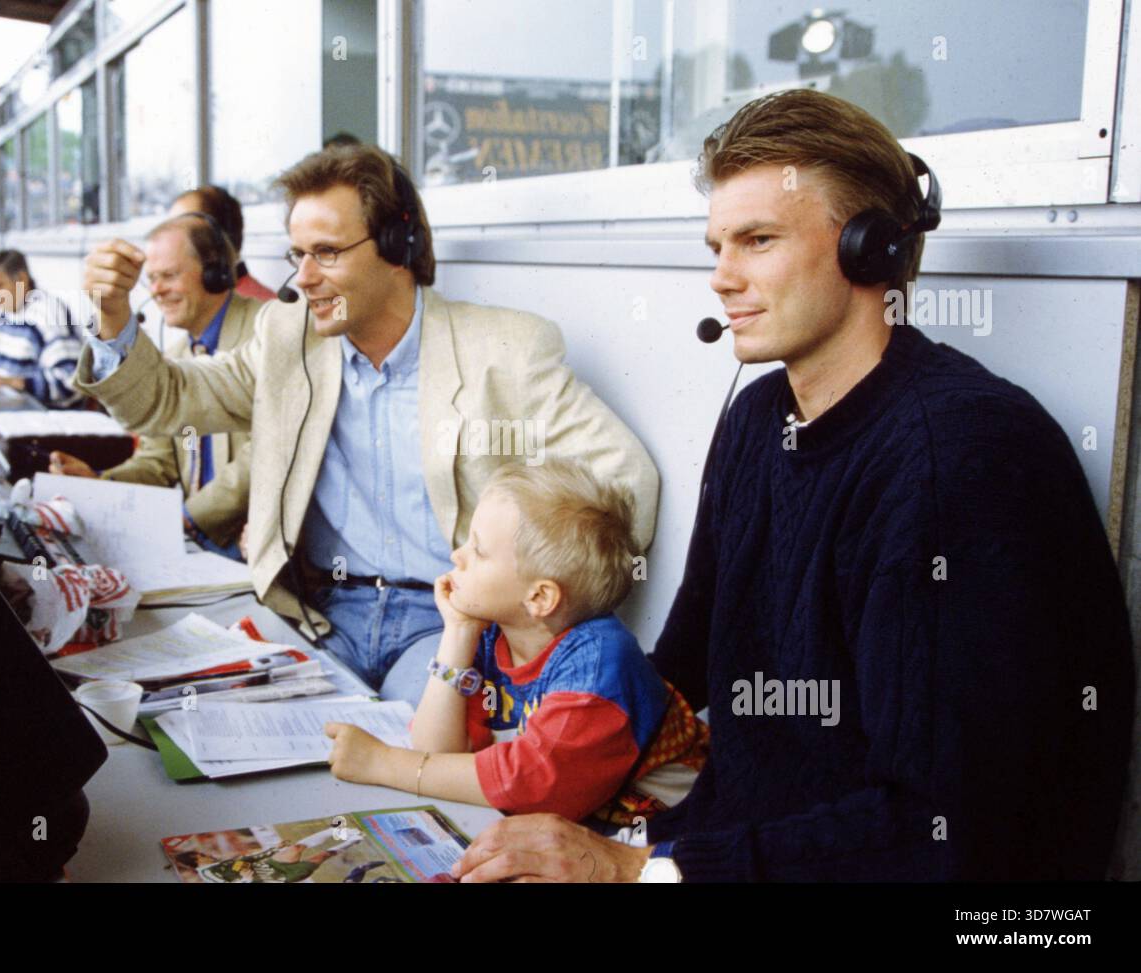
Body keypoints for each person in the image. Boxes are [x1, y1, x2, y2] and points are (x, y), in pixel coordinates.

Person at [451, 89, 1135, 883]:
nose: (720, 276)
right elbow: (684, 663)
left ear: (868, 250)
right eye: (717, 245)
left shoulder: (962, 460)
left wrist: (631, 872)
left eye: (758, 240)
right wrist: (540, 722)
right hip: (735, 843)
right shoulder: (757, 419)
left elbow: (942, 830)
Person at [73, 142, 659, 707]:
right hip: (323, 615)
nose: (302, 277)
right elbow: (169, 398)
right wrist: (113, 319)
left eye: (325, 252)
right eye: (296, 255)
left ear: (397, 244)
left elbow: (626, 478)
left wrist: (528, 611)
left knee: (407, 753)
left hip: (448, 623)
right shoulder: (289, 337)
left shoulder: (503, 349)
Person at [324, 460, 708, 824]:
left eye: (478, 550)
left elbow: (532, 783)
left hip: (663, 825)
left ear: (539, 598)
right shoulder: (492, 632)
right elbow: (438, 751)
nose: (457, 556)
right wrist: (458, 632)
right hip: (584, 817)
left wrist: (383, 764)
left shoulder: (599, 661)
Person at [49, 213, 260, 560]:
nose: (157, 290)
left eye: (169, 276)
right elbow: (158, 460)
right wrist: (100, 483)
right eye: (152, 279)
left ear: (216, 272)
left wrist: (190, 518)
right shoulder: (176, 355)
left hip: (242, 546)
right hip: (194, 538)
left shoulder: (262, 330)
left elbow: (266, 450)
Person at [0, 250, 83, 408]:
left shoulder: (47, 313)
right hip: (5, 408)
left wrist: (13, 382)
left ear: (22, 280)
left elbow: (70, 383)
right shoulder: (2, 314)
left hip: (41, 418)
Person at [167, 185, 278, 302]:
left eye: (181, 231)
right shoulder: (195, 303)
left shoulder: (265, 312)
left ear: (218, 241)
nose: (170, 243)